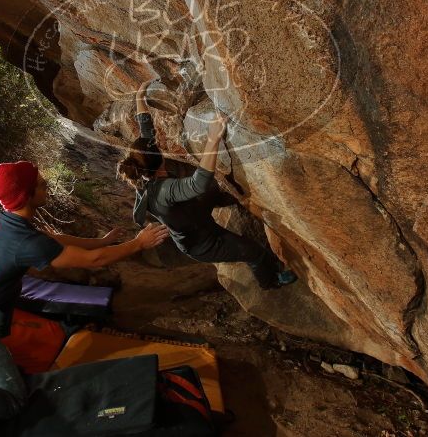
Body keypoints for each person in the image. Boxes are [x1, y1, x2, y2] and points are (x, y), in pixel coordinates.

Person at [0, 161, 169, 436]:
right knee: (12, 398)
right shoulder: (23, 242)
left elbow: (56, 240)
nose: (45, 185)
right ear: (26, 195)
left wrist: (104, 241)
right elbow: (93, 261)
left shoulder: (2, 221)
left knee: (7, 316)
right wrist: (138, 243)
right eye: (39, 183)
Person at [117, 79, 297, 290]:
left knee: (218, 193)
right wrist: (213, 139)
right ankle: (271, 282)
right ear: (160, 160)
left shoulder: (144, 173)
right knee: (252, 251)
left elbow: (146, 131)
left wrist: (140, 97)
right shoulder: (163, 190)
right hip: (203, 244)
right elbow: (197, 184)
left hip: (195, 217)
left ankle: (236, 201)